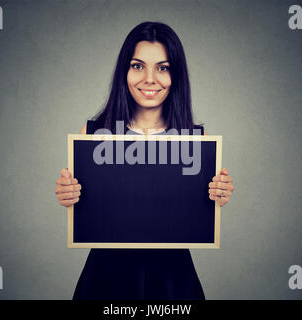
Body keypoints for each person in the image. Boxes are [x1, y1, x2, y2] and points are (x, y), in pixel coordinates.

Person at [54, 21, 235, 300]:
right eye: (138, 65)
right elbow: (85, 205)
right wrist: (69, 195)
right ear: (124, 71)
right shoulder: (91, 135)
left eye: (163, 67)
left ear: (175, 75)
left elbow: (201, 210)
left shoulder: (198, 139)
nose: (149, 78)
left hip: (172, 279)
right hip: (106, 277)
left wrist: (216, 196)